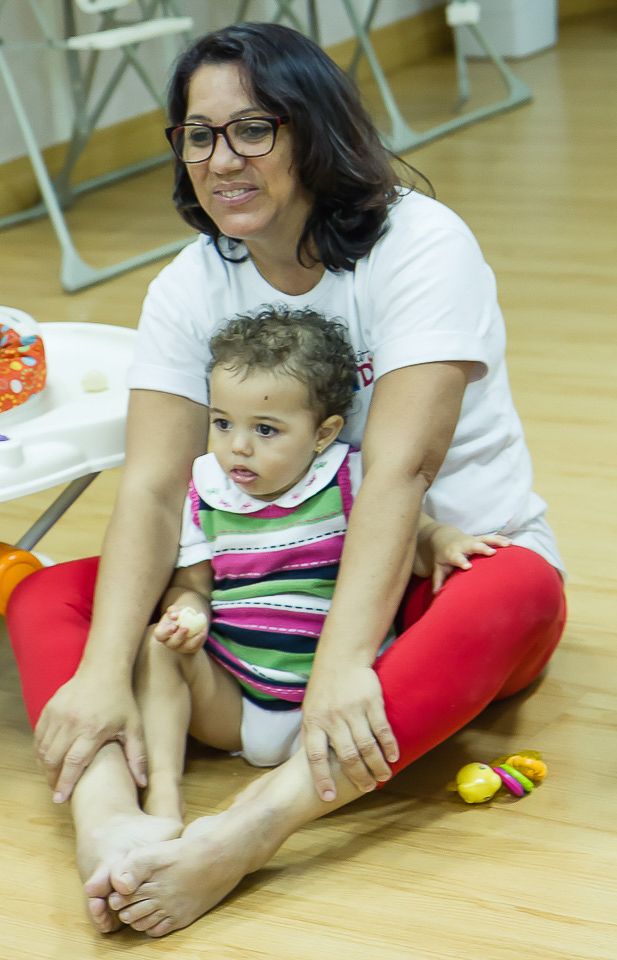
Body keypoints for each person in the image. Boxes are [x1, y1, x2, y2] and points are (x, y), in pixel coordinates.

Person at [6, 21, 566, 938]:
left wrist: (344, 665)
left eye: (253, 129)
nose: (221, 158)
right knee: (48, 599)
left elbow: (400, 468)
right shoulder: (188, 285)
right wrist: (107, 670)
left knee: (519, 587)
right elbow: (150, 487)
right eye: (198, 133)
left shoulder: (421, 243)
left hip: (422, 584)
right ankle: (109, 819)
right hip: (253, 597)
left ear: (312, 131)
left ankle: (245, 830)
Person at [137, 305, 512, 824]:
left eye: (266, 430)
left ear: (322, 433)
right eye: (222, 423)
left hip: (340, 703)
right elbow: (192, 585)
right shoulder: (205, 489)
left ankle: (292, 796)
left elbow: (414, 533)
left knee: (413, 659)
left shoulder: (350, 477)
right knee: (156, 650)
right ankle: (161, 792)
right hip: (234, 703)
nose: (237, 446)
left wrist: (446, 541)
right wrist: (188, 613)